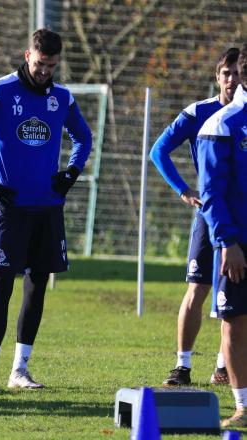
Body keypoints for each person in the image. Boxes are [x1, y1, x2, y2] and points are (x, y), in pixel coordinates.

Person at [0, 29, 92, 392]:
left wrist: (71, 172)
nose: (46, 71)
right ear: (27, 55)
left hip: (48, 208)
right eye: (41, 63)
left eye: (52, 66)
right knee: (1, 286)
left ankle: (20, 370)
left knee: (37, 287)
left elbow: (84, 137)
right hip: (11, 209)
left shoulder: (61, 97)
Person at [150, 47, 239, 387]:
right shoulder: (199, 112)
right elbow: (159, 150)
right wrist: (184, 189)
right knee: (197, 289)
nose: (232, 79)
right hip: (210, 215)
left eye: (237, 73)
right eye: (226, 73)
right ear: (217, 77)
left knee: (233, 294)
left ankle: (222, 366)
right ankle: (182, 366)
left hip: (241, 215)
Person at [196, 43, 247, 428]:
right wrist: (227, 242)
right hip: (237, 245)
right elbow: (211, 193)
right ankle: (243, 406)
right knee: (235, 322)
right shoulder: (222, 124)